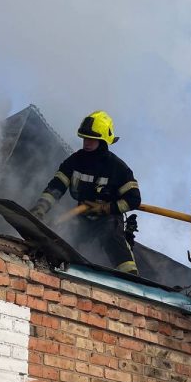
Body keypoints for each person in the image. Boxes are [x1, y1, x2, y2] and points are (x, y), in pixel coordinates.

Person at [30, 111, 141, 274]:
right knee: (65, 242)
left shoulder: (118, 168)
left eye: (91, 139)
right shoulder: (75, 161)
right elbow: (56, 187)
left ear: (102, 141)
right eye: (84, 138)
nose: (86, 142)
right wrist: (40, 208)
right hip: (81, 215)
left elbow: (134, 199)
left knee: (112, 238)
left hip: (108, 218)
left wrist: (105, 208)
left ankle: (131, 281)